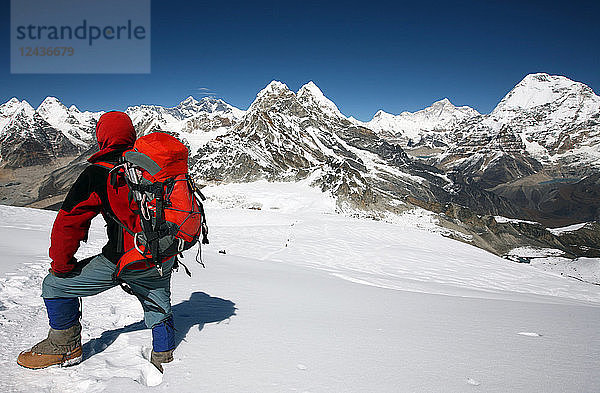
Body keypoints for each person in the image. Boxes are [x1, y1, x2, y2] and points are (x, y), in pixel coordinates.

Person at [17, 111, 176, 372]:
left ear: (102, 138)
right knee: (158, 302)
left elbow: (69, 223)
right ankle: (166, 356)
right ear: (132, 135)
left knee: (54, 285)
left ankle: (64, 347)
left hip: (121, 260)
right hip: (162, 255)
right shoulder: (153, 166)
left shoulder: (98, 173)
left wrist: (62, 265)